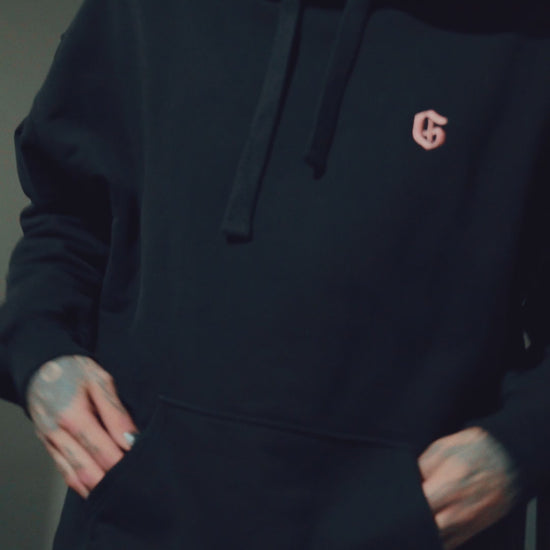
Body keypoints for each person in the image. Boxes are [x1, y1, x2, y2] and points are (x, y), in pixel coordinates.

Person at [1, 0, 549, 548]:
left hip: (408, 529)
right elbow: (68, 212)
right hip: (137, 521)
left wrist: (522, 445)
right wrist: (40, 349)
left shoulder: (529, 36)